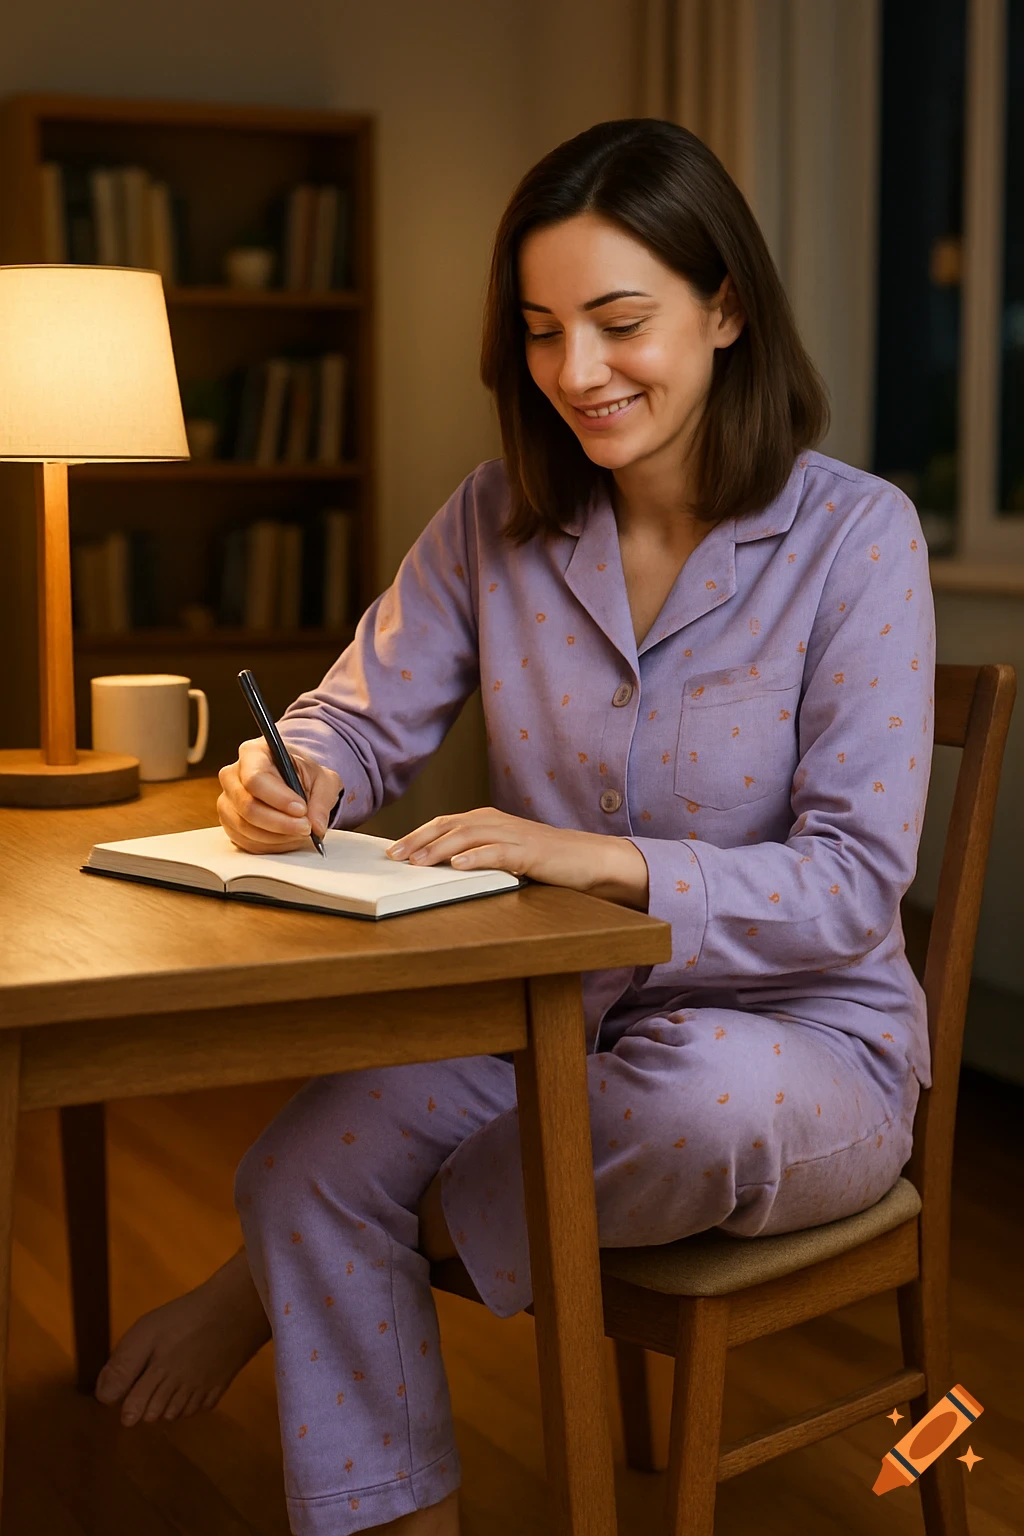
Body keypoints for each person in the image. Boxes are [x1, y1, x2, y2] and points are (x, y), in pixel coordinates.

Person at [94, 117, 935, 1536]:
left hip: (798, 1045)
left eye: (619, 323)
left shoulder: (859, 537)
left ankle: (279, 1277)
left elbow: (854, 886)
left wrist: (601, 858)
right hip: (549, 1020)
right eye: (542, 331)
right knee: (299, 1162)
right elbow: (355, 723)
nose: (577, 373)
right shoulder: (497, 517)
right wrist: (293, 776)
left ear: (726, 306)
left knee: (681, 1109)